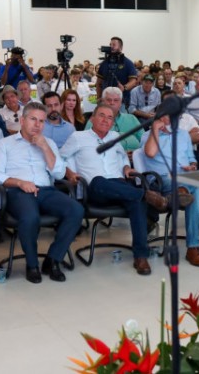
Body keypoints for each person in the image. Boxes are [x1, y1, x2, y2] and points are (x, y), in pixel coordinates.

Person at [61, 104, 167, 275]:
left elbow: (123, 157)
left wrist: (126, 167)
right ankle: (148, 196)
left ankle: (141, 256)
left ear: (112, 122)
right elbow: (60, 158)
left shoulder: (115, 136)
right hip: (95, 189)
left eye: (110, 117)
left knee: (136, 201)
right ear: (92, 118)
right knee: (99, 181)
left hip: (119, 185)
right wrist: (70, 173)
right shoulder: (78, 137)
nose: (105, 120)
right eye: (101, 115)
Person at [0, 102, 84, 283]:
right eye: (33, 119)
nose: (37, 125)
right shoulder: (5, 144)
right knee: (30, 216)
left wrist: (45, 147)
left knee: (76, 210)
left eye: (41, 121)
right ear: (22, 120)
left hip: (46, 190)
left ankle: (53, 259)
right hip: (17, 191)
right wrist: (19, 182)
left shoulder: (49, 143)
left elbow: (59, 174)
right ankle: (32, 264)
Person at [141, 115, 199, 267]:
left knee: (195, 190)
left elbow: (191, 158)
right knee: (195, 189)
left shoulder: (183, 135)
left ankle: (175, 195)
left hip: (184, 176)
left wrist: (192, 166)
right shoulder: (147, 135)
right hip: (162, 179)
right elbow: (150, 153)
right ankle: (193, 248)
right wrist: (155, 129)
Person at [86, 86, 143, 152]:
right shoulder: (94, 120)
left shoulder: (131, 119)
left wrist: (137, 153)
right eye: (109, 100)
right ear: (103, 102)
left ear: (121, 103)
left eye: (116, 100)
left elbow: (144, 140)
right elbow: (86, 145)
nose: (112, 103)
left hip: (134, 156)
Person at [95, 36, 138, 107]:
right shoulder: (104, 63)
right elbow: (98, 83)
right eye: (110, 44)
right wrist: (99, 98)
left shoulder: (128, 63)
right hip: (105, 101)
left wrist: (124, 87)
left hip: (122, 101)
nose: (111, 47)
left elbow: (133, 81)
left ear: (121, 47)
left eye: (114, 45)